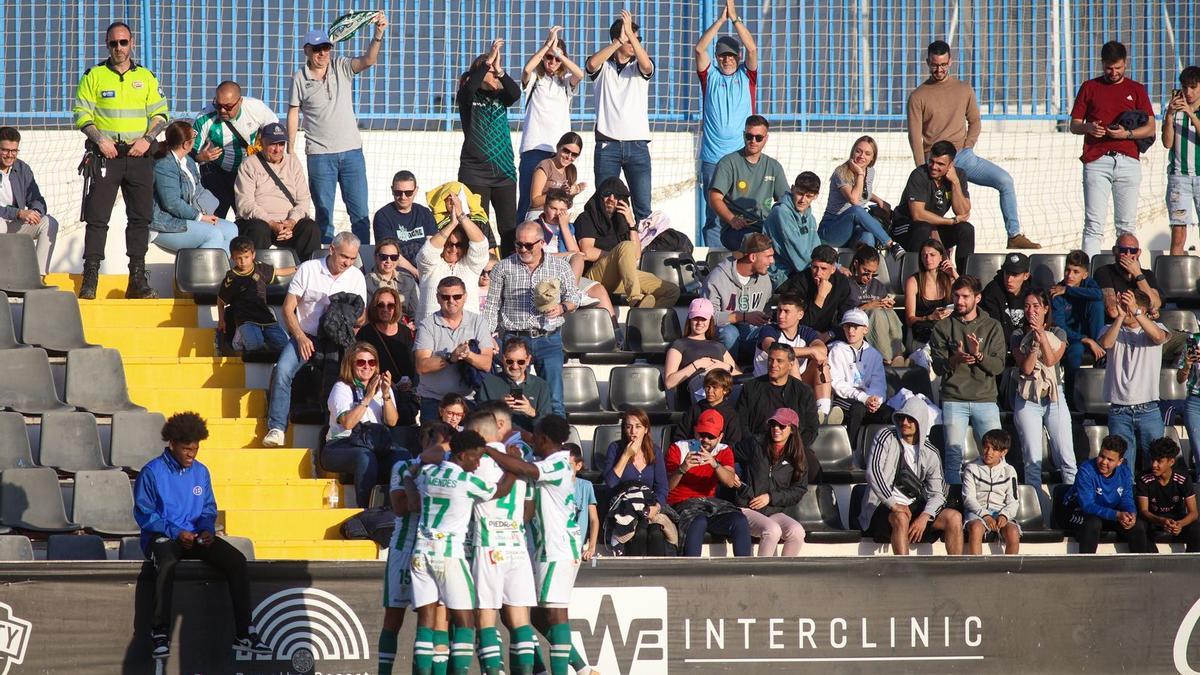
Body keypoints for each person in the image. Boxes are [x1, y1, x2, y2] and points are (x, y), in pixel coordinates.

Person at [133, 412, 269, 659]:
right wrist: (175, 531)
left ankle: (244, 632)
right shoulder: (151, 472)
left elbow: (208, 508)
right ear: (172, 444)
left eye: (195, 449)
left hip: (195, 536)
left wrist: (206, 529)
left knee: (236, 561)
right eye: (186, 449)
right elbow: (145, 514)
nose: (191, 455)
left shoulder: (201, 472)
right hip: (161, 536)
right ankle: (160, 632)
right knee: (167, 562)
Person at [482, 415, 595, 675]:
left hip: (558, 549)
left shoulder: (559, 463)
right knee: (531, 614)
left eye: (537, 436)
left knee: (556, 616)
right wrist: (513, 429)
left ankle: (571, 670)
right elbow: (528, 447)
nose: (533, 439)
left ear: (545, 439)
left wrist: (486, 448)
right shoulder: (549, 457)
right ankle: (577, 669)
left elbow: (525, 470)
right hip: (547, 548)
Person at [907, 40, 1040, 250]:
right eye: (934, 65)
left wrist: (967, 146)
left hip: (963, 157)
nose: (939, 69)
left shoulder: (963, 88)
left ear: (950, 61)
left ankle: (1014, 235)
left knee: (1005, 180)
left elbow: (975, 121)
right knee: (931, 210)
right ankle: (936, 247)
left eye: (943, 64)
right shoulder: (918, 96)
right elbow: (915, 137)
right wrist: (922, 169)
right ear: (927, 63)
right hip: (935, 163)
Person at [72, 21, 169, 300]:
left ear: (132, 43)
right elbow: (81, 113)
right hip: (106, 155)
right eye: (113, 43)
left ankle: (137, 279)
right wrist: (100, 139)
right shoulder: (94, 76)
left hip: (139, 156)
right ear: (107, 45)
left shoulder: (147, 78)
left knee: (140, 219)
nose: (119, 48)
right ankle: (90, 276)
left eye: (123, 42)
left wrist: (147, 139)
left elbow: (161, 114)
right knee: (97, 218)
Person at [409, 430, 511, 675]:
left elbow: (412, 472)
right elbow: (500, 491)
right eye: (475, 458)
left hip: (421, 552)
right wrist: (515, 469)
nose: (477, 464)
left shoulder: (427, 472)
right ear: (463, 455)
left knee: (426, 622)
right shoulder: (468, 482)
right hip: (450, 554)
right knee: (465, 621)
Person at [288, 16, 389, 244]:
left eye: (326, 48)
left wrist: (378, 34)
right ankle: (325, 259)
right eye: (317, 49)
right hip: (319, 155)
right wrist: (290, 148)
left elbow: (369, 60)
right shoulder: (299, 78)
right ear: (306, 51)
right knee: (324, 214)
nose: (323, 53)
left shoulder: (341, 66)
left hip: (352, 152)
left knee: (360, 214)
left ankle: (361, 259)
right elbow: (293, 111)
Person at [263, 232, 367, 447]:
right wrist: (300, 338)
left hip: (336, 341)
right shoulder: (308, 269)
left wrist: (345, 311)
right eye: (344, 257)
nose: (347, 262)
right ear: (332, 250)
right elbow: (288, 309)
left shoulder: (356, 276)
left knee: (345, 379)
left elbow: (361, 318)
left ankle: (339, 434)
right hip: (306, 335)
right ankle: (277, 427)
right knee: (282, 370)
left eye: (352, 258)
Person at [462, 411, 538, 675]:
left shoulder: (476, 462)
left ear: (479, 435)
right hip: (517, 545)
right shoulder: (520, 461)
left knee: (486, 617)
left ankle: (494, 671)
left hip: (489, 545)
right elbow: (529, 512)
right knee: (520, 621)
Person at [378, 422, 454, 675]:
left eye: (445, 445)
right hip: (404, 547)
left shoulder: (449, 472)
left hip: (435, 550)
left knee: (438, 621)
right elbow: (401, 507)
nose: (440, 449)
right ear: (423, 440)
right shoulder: (402, 466)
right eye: (436, 443)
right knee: (394, 618)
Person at [483, 220, 580, 417]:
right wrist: (487, 336)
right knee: (511, 398)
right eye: (519, 244)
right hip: (514, 338)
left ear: (542, 243)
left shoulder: (560, 267)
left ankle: (555, 444)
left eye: (529, 245)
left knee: (554, 400)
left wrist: (562, 308)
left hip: (548, 338)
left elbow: (574, 297)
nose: (523, 249)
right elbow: (492, 306)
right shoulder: (502, 268)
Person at [1069, 40, 1156, 257]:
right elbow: (1074, 124)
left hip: (1128, 161)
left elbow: (1151, 127)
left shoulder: (1136, 90)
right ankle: (1088, 275)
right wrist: (1089, 127)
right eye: (1109, 68)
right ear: (1102, 64)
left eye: (1118, 67)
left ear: (1126, 64)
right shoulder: (1090, 87)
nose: (1113, 72)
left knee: (1126, 224)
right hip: (1097, 160)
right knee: (1093, 223)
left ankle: (1126, 273)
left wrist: (1126, 134)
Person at [860, 398, 965, 555]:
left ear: (921, 422)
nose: (905, 422)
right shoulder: (885, 436)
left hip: (915, 508)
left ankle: (957, 573)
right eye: (902, 418)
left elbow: (938, 494)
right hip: (883, 508)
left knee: (954, 517)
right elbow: (873, 472)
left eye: (911, 419)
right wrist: (894, 505)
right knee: (901, 517)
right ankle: (904, 573)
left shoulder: (931, 452)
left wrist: (925, 516)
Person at [694, 0, 759, 248]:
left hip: (740, 159)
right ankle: (713, 260)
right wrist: (720, 20)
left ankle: (740, 259)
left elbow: (752, 50)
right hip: (712, 158)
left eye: (731, 55)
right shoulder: (709, 76)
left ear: (737, 56)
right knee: (713, 215)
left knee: (743, 213)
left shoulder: (747, 75)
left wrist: (735, 19)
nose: (727, 59)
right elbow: (700, 49)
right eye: (722, 55)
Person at [930, 275, 1005, 484]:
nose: (960, 301)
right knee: (953, 456)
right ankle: (953, 502)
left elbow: (998, 367)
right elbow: (937, 366)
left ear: (978, 298)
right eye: (956, 296)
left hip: (986, 398)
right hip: (954, 398)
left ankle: (994, 498)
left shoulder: (992, 326)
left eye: (965, 296)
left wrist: (979, 356)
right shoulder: (942, 327)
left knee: (996, 455)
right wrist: (955, 359)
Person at [319, 343, 410, 509]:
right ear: (351, 364)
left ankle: (399, 509)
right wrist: (367, 398)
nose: (367, 366)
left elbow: (392, 422)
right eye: (361, 362)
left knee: (402, 458)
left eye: (371, 362)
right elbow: (348, 423)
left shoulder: (382, 389)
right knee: (365, 457)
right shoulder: (342, 388)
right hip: (340, 445)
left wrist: (386, 395)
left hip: (375, 444)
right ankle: (365, 511)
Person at [586, 11, 655, 222]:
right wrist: (619, 41)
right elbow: (591, 64)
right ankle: (607, 249)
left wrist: (631, 37)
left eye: (638, 39)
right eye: (631, 39)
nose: (635, 43)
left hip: (638, 146)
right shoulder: (604, 68)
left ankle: (644, 249)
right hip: (608, 145)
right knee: (605, 204)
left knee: (642, 206)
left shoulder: (638, 67)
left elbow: (647, 66)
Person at [458, 39, 522, 255]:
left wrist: (500, 70)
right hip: (474, 173)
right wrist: (487, 62)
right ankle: (480, 272)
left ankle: (509, 270)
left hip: (504, 172)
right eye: (491, 72)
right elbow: (468, 90)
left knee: (509, 228)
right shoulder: (468, 96)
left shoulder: (501, 97)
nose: (495, 76)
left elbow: (515, 94)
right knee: (478, 227)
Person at [574, 177, 679, 308]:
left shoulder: (622, 222)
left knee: (671, 291)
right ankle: (634, 299)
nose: (611, 198)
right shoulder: (587, 217)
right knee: (626, 246)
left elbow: (636, 255)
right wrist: (618, 256)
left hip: (622, 274)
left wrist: (631, 224)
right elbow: (587, 251)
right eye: (607, 194)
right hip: (594, 275)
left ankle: (643, 319)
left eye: (616, 195)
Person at [1012, 289, 1078, 490]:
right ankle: (1038, 512)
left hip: (1054, 396)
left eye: (1036, 306)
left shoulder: (1058, 332)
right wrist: (1033, 344)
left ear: (1045, 308)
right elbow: (1026, 368)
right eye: (1027, 306)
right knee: (1032, 462)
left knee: (1067, 459)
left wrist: (1042, 336)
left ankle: (1070, 507)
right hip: (1028, 397)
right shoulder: (1017, 334)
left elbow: (1050, 360)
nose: (1030, 310)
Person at [519, 23, 586, 220]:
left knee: (558, 202)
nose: (553, 61)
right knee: (528, 202)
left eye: (557, 59)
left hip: (560, 153)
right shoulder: (535, 80)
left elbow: (580, 75)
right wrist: (548, 45)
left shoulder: (565, 84)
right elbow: (527, 69)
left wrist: (559, 54)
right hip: (534, 148)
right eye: (549, 57)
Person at [664, 409, 753, 557]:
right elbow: (666, 487)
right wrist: (682, 469)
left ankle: (744, 573)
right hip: (681, 503)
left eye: (710, 436)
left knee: (739, 520)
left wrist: (715, 464)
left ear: (720, 437)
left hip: (708, 504)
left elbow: (730, 482)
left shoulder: (723, 450)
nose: (705, 440)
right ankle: (691, 571)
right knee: (698, 521)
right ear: (695, 431)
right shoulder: (678, 448)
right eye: (702, 434)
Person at [1099, 289, 1168, 472]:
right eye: (1122, 304)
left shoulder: (1158, 327)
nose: (1125, 308)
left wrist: (1136, 312)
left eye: (1128, 305)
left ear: (1142, 309)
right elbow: (1106, 344)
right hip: (1119, 409)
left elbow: (1159, 337)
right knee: (1122, 467)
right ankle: (1127, 500)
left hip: (1148, 408)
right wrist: (1120, 317)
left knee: (1154, 464)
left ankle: (1151, 500)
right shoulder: (1109, 328)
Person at [233, 121, 322, 262]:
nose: (277, 149)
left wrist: (292, 221)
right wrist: (271, 223)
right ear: (262, 143)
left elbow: (303, 200)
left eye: (281, 144)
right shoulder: (249, 164)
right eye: (272, 144)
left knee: (310, 227)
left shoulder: (293, 163)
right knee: (258, 229)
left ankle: (309, 273)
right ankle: (255, 275)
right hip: (262, 222)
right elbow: (245, 204)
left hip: (289, 224)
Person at [413, 276, 497, 424]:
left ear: (465, 297)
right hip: (434, 401)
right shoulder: (427, 325)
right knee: (435, 446)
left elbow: (486, 363)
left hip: (467, 401)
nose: (451, 301)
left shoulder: (478, 322)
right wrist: (450, 358)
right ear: (438, 298)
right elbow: (421, 366)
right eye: (445, 297)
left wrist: (468, 355)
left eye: (456, 296)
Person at [192, 80, 279, 218]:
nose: (222, 110)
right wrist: (200, 157)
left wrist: (262, 144)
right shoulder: (204, 117)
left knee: (249, 218)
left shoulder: (256, 108)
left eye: (228, 106)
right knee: (215, 219)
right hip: (215, 172)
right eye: (218, 105)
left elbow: (275, 133)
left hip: (247, 174)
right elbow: (188, 150)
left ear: (240, 101)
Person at [150, 120, 238, 253]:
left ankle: (220, 272)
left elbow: (198, 189)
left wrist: (206, 212)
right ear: (186, 144)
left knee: (231, 229)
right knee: (212, 234)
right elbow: (172, 203)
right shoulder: (164, 164)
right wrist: (200, 217)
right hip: (164, 224)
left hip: (188, 217)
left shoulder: (188, 160)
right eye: (194, 138)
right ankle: (200, 273)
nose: (196, 141)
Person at [733, 407, 808, 556]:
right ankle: (762, 575)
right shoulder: (755, 444)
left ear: (792, 430)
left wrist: (771, 497)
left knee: (797, 532)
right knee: (772, 530)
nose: (776, 429)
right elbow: (731, 453)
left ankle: (783, 576)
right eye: (773, 424)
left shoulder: (797, 456)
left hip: (775, 510)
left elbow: (799, 489)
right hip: (747, 507)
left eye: (782, 426)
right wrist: (733, 474)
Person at [708, 115, 789, 251]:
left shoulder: (774, 166)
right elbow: (714, 198)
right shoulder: (728, 163)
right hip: (736, 230)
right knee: (757, 245)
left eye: (758, 138)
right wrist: (732, 220)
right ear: (743, 135)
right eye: (749, 136)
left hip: (765, 228)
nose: (753, 141)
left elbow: (785, 202)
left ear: (766, 139)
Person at [891, 140, 974, 272]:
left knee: (966, 229)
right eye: (931, 161)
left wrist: (955, 183)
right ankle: (914, 277)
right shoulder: (919, 174)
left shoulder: (959, 175)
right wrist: (951, 221)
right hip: (905, 227)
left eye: (940, 164)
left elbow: (963, 211)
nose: (934, 166)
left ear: (951, 165)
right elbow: (918, 214)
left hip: (933, 226)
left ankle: (963, 279)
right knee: (923, 227)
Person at [819, 136, 903, 255]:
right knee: (856, 210)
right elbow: (854, 200)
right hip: (831, 229)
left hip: (853, 230)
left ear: (872, 158)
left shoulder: (870, 171)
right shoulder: (841, 172)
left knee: (867, 236)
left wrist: (879, 200)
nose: (862, 156)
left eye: (867, 153)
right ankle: (891, 244)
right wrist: (859, 173)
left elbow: (863, 193)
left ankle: (865, 270)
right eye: (858, 151)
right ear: (853, 151)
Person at [603, 407, 671, 556]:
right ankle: (635, 576)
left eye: (638, 426)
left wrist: (657, 506)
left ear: (646, 429)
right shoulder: (615, 448)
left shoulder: (655, 451)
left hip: (648, 505)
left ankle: (658, 577)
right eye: (629, 426)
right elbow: (610, 483)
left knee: (656, 534)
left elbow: (662, 487)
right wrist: (626, 456)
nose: (633, 431)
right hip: (624, 507)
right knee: (639, 534)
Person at [1065, 434, 1149, 554]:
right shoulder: (1086, 470)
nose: (1104, 462)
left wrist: (1131, 515)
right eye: (1101, 456)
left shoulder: (1124, 472)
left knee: (1138, 525)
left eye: (1110, 460)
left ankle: (1140, 569)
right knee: (1093, 524)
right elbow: (1087, 505)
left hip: (1108, 513)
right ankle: (1086, 568)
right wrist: (1117, 514)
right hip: (1076, 511)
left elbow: (1127, 500)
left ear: (1120, 462)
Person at [737, 343, 820, 460]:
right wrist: (757, 446)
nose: (773, 365)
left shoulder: (803, 391)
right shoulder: (751, 388)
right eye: (770, 360)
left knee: (812, 464)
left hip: (793, 450)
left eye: (779, 361)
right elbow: (741, 424)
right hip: (758, 449)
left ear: (791, 364)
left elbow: (811, 429)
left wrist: (791, 448)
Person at [752, 294, 830, 414]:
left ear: (800, 315)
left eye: (786, 311)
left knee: (821, 362)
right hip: (768, 384)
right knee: (791, 362)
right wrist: (811, 351)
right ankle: (799, 411)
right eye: (779, 310)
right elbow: (773, 349)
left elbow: (822, 351)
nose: (781, 315)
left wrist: (814, 352)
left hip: (797, 383)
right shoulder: (769, 330)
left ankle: (823, 413)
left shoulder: (806, 332)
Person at [416, 193, 490, 320]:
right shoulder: (430, 265)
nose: (453, 249)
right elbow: (428, 252)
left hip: (466, 332)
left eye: (459, 245)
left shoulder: (471, 265)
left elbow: (481, 245)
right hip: (432, 332)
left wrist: (461, 216)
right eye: (448, 244)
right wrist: (452, 224)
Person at [217, 236, 293, 356]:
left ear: (253, 255)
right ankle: (238, 340)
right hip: (245, 319)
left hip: (265, 317)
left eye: (246, 257)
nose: (243, 262)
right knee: (255, 345)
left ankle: (262, 338)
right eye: (238, 258)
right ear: (232, 258)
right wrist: (221, 320)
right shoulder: (231, 277)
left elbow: (279, 271)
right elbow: (220, 300)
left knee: (285, 345)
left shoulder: (260, 267)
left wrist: (298, 268)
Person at [830, 309, 893, 450]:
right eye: (847, 326)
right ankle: (850, 452)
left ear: (865, 329)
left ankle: (885, 452)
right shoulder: (837, 350)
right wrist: (864, 398)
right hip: (846, 399)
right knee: (858, 409)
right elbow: (837, 383)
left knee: (890, 413)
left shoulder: (874, 354)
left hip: (868, 401)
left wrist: (875, 400)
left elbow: (879, 384)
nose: (851, 331)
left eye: (855, 326)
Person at [704, 232, 774, 360]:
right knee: (730, 333)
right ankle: (729, 375)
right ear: (752, 257)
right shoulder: (717, 278)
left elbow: (767, 307)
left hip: (750, 333)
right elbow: (708, 318)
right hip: (721, 336)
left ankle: (761, 376)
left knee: (772, 333)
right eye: (768, 256)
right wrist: (743, 317)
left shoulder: (764, 279)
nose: (772, 261)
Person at [1051, 249, 1106, 405]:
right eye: (1067, 270)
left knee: (1096, 303)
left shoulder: (1088, 284)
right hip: (1072, 339)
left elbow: (1098, 295)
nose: (1070, 275)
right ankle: (1070, 399)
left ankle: (1102, 352)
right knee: (1075, 351)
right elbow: (1061, 327)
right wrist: (1085, 339)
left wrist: (1069, 291)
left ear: (1085, 274)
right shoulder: (1057, 292)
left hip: (1093, 336)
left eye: (1076, 272)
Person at [0, 127, 57, 275]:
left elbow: (36, 198)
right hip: (2, 222)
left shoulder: (22, 168)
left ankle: (37, 277)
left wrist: (35, 212)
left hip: (14, 224)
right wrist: (18, 213)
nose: (10, 155)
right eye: (5, 150)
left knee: (49, 223)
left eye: (14, 151)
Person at [372, 172, 436, 302]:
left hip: (425, 268)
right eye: (398, 192)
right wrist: (416, 272)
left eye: (408, 193)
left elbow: (433, 246)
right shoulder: (383, 216)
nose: (403, 197)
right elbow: (390, 255)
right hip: (398, 269)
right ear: (392, 190)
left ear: (416, 190)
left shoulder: (424, 213)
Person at [664, 298, 740, 406]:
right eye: (696, 318)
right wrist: (697, 365)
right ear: (689, 320)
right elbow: (669, 382)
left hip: (721, 382)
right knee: (709, 383)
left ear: (710, 321)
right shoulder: (679, 344)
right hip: (700, 382)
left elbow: (740, 376)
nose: (699, 323)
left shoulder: (718, 345)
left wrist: (725, 366)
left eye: (703, 319)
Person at [777, 244, 856, 342]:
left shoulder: (841, 282)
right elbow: (801, 322)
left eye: (823, 269)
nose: (818, 273)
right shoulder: (800, 281)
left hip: (829, 334)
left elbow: (847, 316)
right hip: (800, 336)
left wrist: (831, 334)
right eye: (815, 267)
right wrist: (820, 297)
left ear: (833, 269)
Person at [961, 429, 1021, 555]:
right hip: (977, 513)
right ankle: (976, 571)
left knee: (1013, 532)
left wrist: (1004, 515)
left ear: (1003, 452)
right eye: (986, 447)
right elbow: (968, 499)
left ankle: (1009, 570)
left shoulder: (1010, 471)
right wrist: (985, 515)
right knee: (976, 528)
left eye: (994, 449)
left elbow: (1013, 501)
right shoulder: (971, 468)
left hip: (1000, 512)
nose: (988, 452)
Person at [1135, 437, 1200, 553]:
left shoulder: (1183, 478)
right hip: (1153, 521)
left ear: (1171, 462)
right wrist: (1161, 520)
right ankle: (1150, 563)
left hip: (1176, 520)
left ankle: (1192, 565)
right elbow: (1144, 511)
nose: (1154, 465)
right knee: (1139, 527)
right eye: (1153, 460)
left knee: (1196, 528)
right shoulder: (1144, 478)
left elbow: (1194, 513)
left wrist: (1180, 524)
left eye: (1159, 461)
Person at [356, 286, 418, 405]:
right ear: (375, 307)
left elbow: (411, 363)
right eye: (381, 305)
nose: (385, 309)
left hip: (404, 393)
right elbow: (360, 364)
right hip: (376, 392)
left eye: (390, 305)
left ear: (396, 308)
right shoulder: (366, 332)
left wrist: (409, 382)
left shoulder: (405, 332)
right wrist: (387, 383)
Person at [477, 337, 553, 431]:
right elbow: (478, 419)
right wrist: (498, 407)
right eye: (510, 361)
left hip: (531, 442)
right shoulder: (489, 383)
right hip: (498, 441)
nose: (515, 366)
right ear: (502, 359)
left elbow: (549, 427)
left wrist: (531, 412)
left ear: (528, 360)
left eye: (520, 362)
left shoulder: (541, 386)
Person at [1163, 66, 1200, 255]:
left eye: (1193, 87)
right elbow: (1167, 143)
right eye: (1185, 87)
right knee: (1178, 232)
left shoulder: (1193, 111)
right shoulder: (1175, 110)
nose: (1188, 92)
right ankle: (1174, 280)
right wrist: (1169, 116)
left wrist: (1191, 115)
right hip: (1179, 178)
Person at [903, 238, 957, 367]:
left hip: (947, 332)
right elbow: (909, 319)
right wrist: (930, 317)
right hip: (923, 332)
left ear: (941, 257)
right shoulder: (913, 281)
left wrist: (955, 274)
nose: (928, 259)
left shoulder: (950, 279)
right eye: (924, 256)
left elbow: (969, 301)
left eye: (932, 255)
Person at [847, 245, 904, 364]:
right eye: (866, 272)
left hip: (879, 324)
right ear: (856, 264)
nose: (869, 277)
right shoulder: (846, 285)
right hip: (858, 325)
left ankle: (898, 355)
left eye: (873, 273)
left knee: (889, 312)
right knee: (876, 313)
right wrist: (867, 306)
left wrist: (888, 304)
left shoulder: (877, 285)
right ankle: (887, 358)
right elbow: (844, 314)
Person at [763, 171, 821, 287]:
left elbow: (817, 249)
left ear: (816, 196)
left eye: (808, 196)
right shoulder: (781, 213)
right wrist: (820, 269)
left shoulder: (810, 218)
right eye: (800, 193)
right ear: (793, 189)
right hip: (781, 275)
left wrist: (832, 266)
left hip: (802, 270)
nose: (803, 200)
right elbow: (796, 254)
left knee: (838, 281)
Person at [671, 368, 746, 449]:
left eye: (714, 387)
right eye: (707, 387)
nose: (710, 391)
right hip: (694, 454)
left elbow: (733, 443)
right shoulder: (695, 409)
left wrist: (716, 456)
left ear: (725, 390)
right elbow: (680, 436)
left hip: (719, 458)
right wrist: (695, 451)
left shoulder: (731, 414)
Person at [1093, 233, 1163, 320]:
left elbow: (1155, 304)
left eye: (1133, 251)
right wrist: (1144, 312)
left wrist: (1137, 273)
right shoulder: (1104, 272)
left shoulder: (1147, 274)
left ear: (1138, 253)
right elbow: (1113, 311)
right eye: (1123, 250)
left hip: (1143, 327)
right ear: (1115, 251)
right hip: (1117, 327)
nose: (1128, 254)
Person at [526, 133, 587, 222]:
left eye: (574, 155)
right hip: (539, 213)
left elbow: (567, 205)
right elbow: (535, 201)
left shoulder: (571, 170)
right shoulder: (546, 165)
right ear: (558, 147)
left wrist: (573, 193)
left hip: (559, 214)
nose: (569, 157)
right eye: (566, 151)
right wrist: (558, 193)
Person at [980, 252, 1032, 348]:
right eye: (1007, 273)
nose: (1009, 279)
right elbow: (993, 327)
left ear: (1026, 276)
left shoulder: (1032, 293)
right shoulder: (992, 291)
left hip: (1026, 346)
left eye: (1015, 275)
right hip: (999, 345)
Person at [366, 238, 417, 322]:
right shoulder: (367, 282)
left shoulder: (408, 280)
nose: (388, 261)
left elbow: (415, 313)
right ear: (376, 257)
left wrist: (410, 326)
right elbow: (368, 315)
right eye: (383, 257)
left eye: (394, 257)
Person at [568, 445, 600, 562]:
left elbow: (593, 520)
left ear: (578, 465)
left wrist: (591, 547)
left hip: (577, 548)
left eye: (569, 465)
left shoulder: (586, 486)